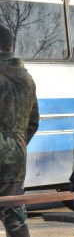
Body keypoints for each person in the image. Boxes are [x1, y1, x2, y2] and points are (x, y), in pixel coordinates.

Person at [0, 25, 39, 237]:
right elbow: (33, 122)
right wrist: (16, 143)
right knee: (14, 216)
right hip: (16, 156)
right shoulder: (27, 79)